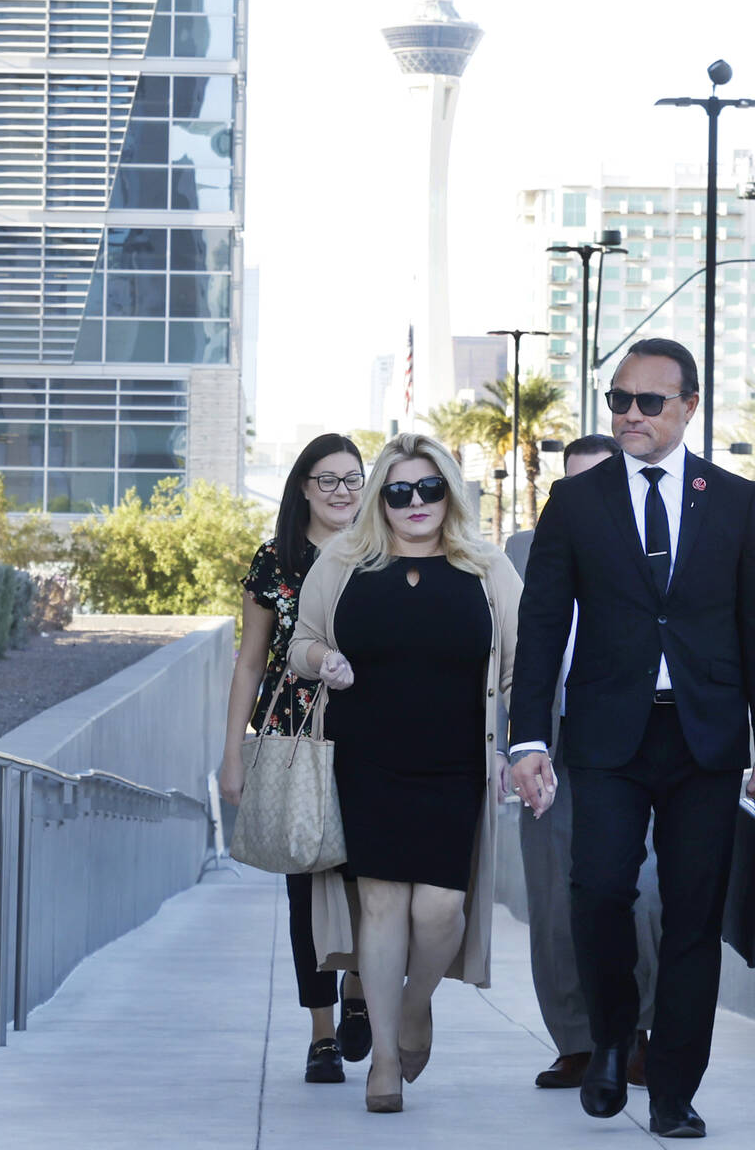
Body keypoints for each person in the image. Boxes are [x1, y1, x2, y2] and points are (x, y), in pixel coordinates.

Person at [509, 339, 755, 1139]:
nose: (628, 415)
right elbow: (540, 628)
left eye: (648, 402)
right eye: (617, 401)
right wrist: (527, 738)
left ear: (688, 407)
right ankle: (608, 1037)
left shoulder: (733, 501)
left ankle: (672, 1090)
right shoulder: (576, 502)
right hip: (606, 738)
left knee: (692, 919)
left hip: (704, 740)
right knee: (597, 889)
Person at [287, 432, 521, 1114]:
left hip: (454, 763)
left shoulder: (486, 567)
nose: (414, 502)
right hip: (366, 758)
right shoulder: (343, 560)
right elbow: (300, 642)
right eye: (397, 491)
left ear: (449, 491)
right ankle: (384, 1059)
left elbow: (521, 666)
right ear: (380, 500)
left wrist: (512, 746)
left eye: (428, 488)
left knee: (439, 906)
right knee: (382, 904)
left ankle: (416, 1005)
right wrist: (319, 662)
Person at [504, 435, 660, 1091]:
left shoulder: (659, 544)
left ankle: (636, 1035)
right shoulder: (521, 553)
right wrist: (517, 745)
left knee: (643, 891)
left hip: (637, 734)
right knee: (554, 895)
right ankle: (576, 1044)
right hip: (551, 740)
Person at [218, 433, 372, 1085]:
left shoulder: (382, 555)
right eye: (328, 479)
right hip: (290, 741)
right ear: (303, 488)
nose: (342, 491)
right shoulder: (275, 561)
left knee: (370, 879)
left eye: (352, 479)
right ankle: (322, 1034)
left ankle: (362, 993)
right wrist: (233, 756)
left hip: (372, 736)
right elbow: (251, 662)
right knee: (306, 886)